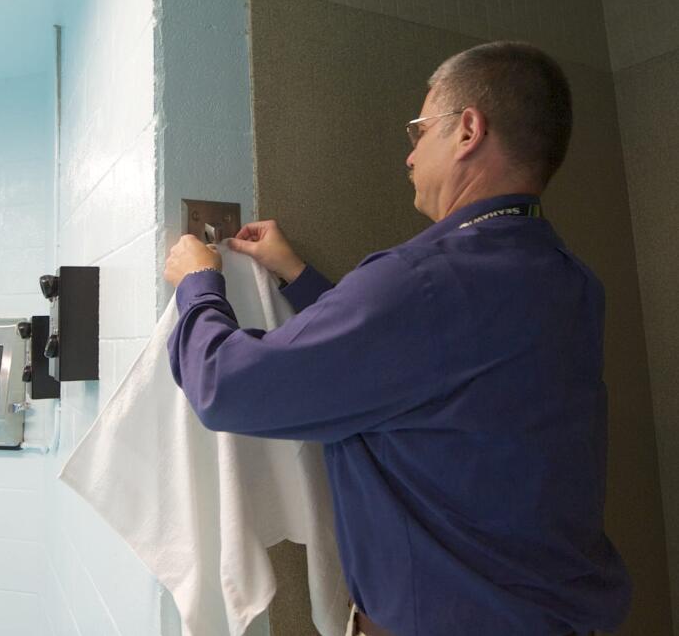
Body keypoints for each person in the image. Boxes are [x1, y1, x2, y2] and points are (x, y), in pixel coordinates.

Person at [161, 41, 631, 636]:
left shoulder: (424, 280)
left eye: (419, 129)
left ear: (467, 130)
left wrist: (198, 284)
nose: (410, 155)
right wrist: (299, 278)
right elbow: (420, 365)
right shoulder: (570, 281)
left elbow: (227, 386)